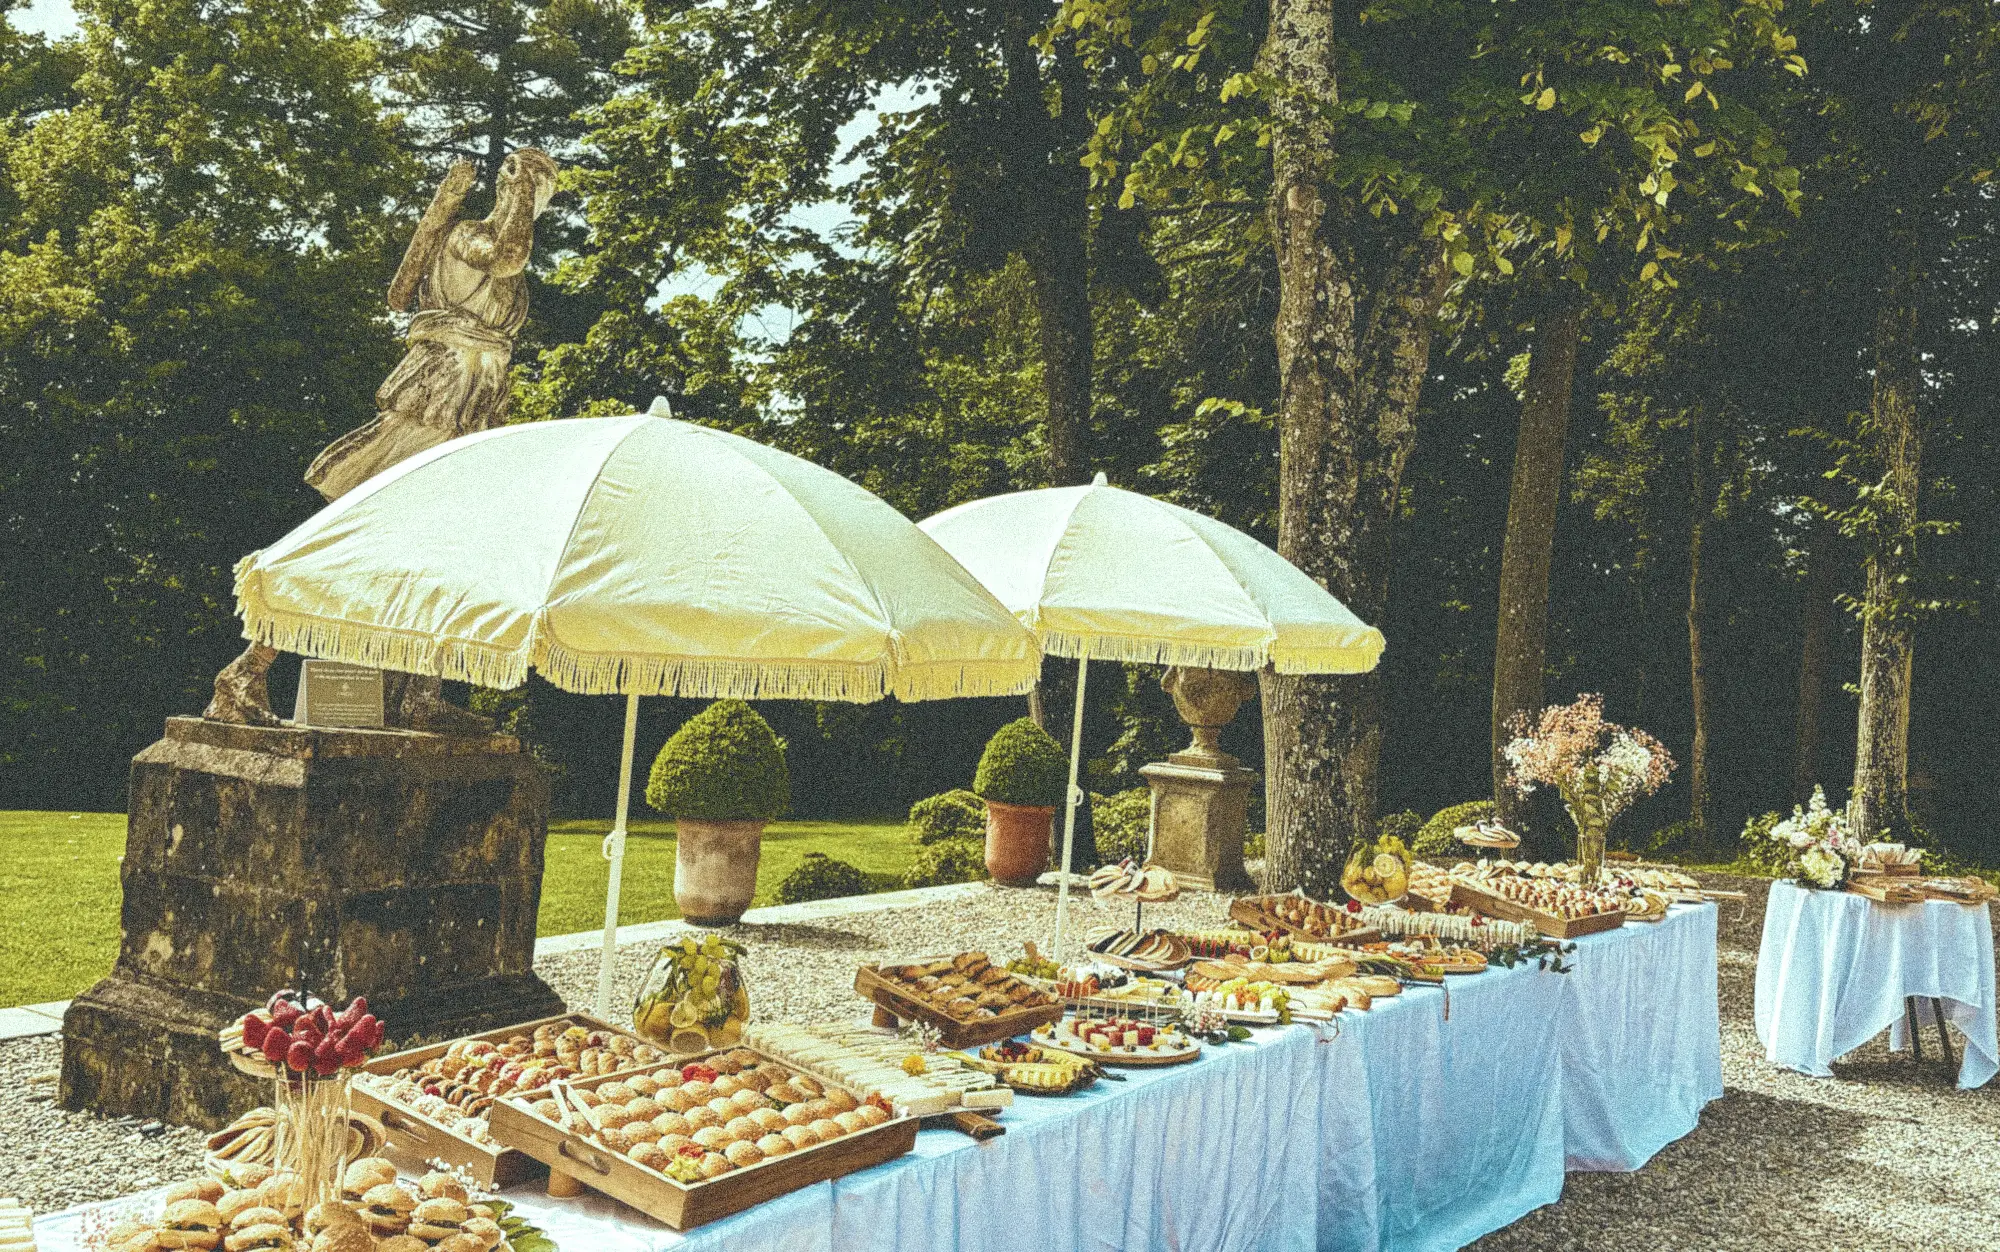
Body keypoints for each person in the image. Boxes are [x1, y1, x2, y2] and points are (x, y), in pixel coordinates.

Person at [204, 149, 560, 730]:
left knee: (439, 554)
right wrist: (519, 192)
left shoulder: (501, 262)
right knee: (359, 544)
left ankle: (418, 693)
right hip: (434, 401)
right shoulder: (470, 237)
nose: (540, 199)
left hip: (475, 408)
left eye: (546, 191)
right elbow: (508, 254)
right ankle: (245, 672)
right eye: (535, 187)